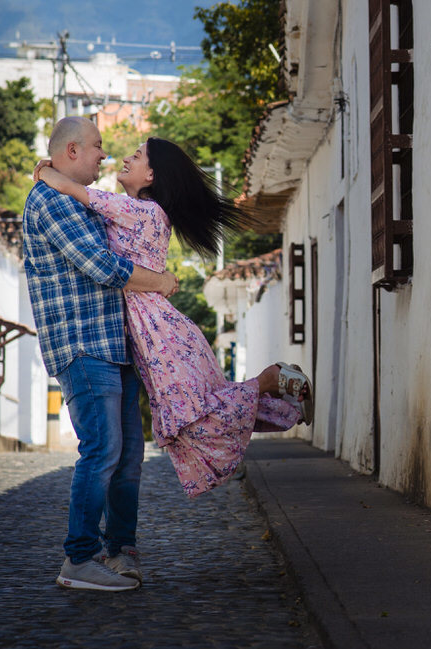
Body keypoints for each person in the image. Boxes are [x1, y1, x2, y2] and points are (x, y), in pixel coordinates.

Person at [34, 136, 313, 503]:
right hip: (153, 332)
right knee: (196, 410)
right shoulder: (137, 209)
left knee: (191, 417)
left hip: (158, 332)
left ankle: (271, 380)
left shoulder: (144, 211)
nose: (124, 159)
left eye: (136, 157)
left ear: (151, 174)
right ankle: (285, 400)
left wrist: (46, 171)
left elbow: (75, 190)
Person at [23, 116, 180, 593]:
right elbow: (103, 266)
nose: (104, 156)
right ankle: (80, 558)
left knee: (128, 454)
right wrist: (164, 283)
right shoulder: (52, 201)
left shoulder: (79, 200)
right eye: (96, 147)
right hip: (83, 345)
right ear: (71, 151)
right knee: (103, 449)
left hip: (116, 345)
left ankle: (120, 550)